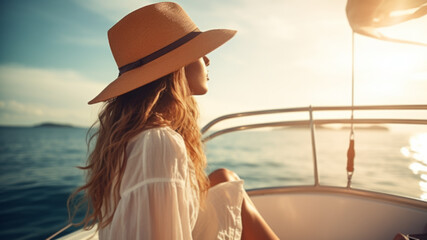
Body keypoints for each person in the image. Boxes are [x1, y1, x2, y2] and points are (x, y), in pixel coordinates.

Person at [68, 2, 279, 240]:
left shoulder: (139, 137)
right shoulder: (158, 143)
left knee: (223, 178)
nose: (207, 59)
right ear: (176, 66)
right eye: (198, 51)